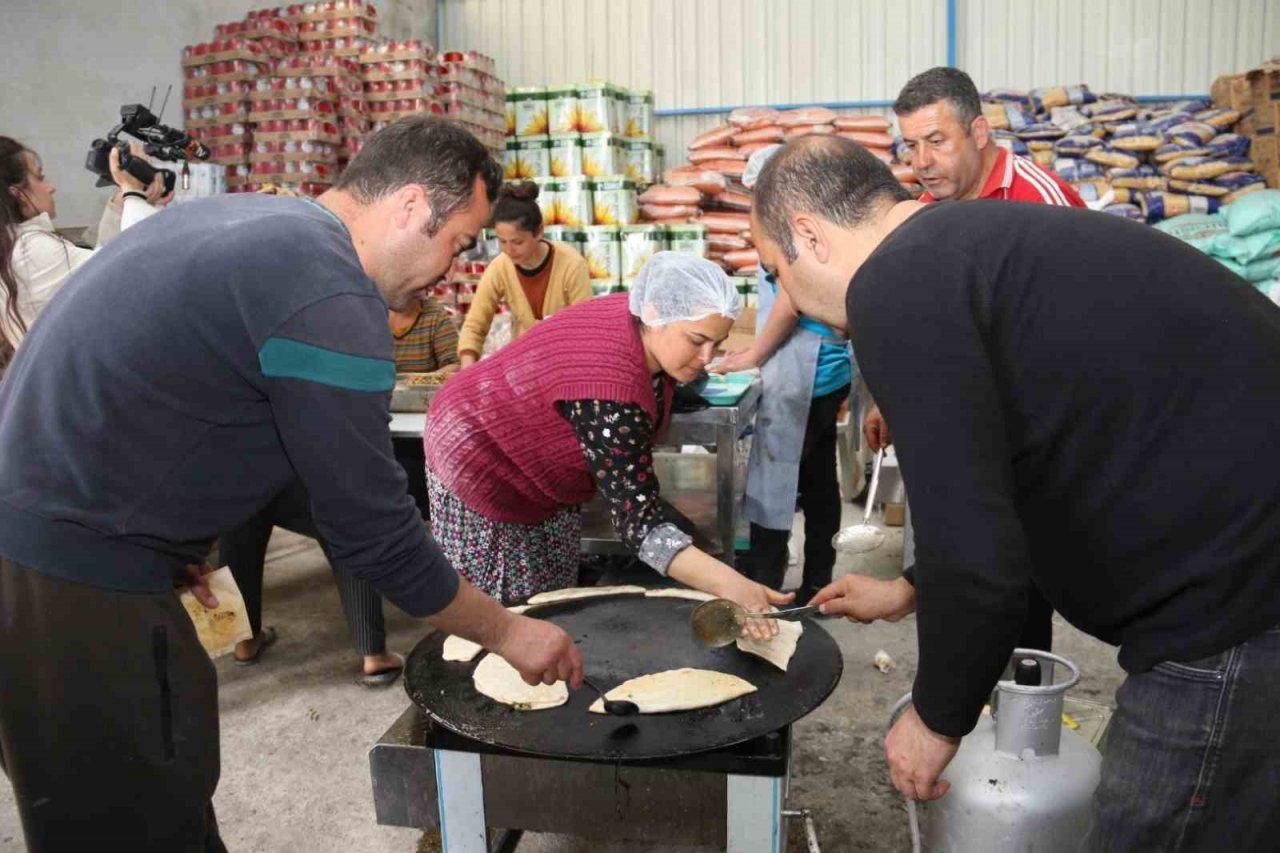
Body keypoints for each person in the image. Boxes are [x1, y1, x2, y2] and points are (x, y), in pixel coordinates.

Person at [0, 116, 582, 853]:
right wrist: (508, 631)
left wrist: (180, 536)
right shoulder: (332, 294)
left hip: (56, 538)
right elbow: (371, 529)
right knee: (127, 817)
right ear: (408, 207)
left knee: (155, 779)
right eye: (457, 242)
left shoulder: (262, 221)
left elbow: (174, 393)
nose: (449, 268)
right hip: (66, 567)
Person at [752, 134, 1280, 849]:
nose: (789, 295)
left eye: (777, 269)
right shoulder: (968, 246)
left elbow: (977, 559)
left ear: (809, 235)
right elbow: (1013, 479)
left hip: (1233, 599)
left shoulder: (894, 283)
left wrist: (938, 717)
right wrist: (912, 586)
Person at [424, 252, 792, 635]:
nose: (706, 358)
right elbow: (641, 527)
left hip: (535, 462)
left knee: (552, 600)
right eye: (697, 340)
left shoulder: (642, 319)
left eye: (717, 343)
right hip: (479, 450)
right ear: (654, 314)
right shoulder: (611, 390)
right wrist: (731, 584)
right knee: (506, 619)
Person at [861, 66, 1086, 652]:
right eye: (911, 145)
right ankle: (971, 689)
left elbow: (1077, 332)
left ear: (980, 132)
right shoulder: (931, 206)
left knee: (1020, 576)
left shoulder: (1039, 201)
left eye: (937, 141)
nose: (922, 161)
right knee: (966, 556)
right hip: (975, 420)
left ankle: (1016, 707)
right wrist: (894, 395)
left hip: (1034, 426)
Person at [712, 144, 852, 604]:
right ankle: (818, 582)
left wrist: (753, 354)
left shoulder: (789, 228)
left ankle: (767, 582)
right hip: (826, 367)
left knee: (776, 475)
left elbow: (791, 302)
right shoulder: (815, 220)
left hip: (803, 369)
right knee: (817, 479)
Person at [1, 138, 168, 361]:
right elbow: (128, 271)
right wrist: (133, 194)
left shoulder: (15, 245)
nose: (51, 187)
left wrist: (122, 203)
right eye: (40, 178)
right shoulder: (29, 250)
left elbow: (98, 261)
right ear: (17, 194)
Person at [457, 180, 590, 367]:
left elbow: (585, 328)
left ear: (538, 232)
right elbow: (475, 324)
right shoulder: (500, 267)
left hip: (568, 365)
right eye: (502, 242)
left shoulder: (572, 265)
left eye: (517, 242)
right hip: (524, 366)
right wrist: (467, 363)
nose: (509, 250)